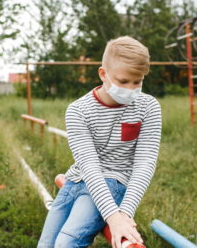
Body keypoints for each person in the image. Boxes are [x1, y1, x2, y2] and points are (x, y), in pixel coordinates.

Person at [37, 36, 162, 248]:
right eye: (123, 81)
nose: (131, 89)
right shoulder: (78, 110)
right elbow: (89, 165)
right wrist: (113, 217)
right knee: (46, 243)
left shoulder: (148, 107)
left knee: (66, 244)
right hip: (76, 180)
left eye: (137, 81)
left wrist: (122, 215)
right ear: (103, 74)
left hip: (113, 182)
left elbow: (144, 165)